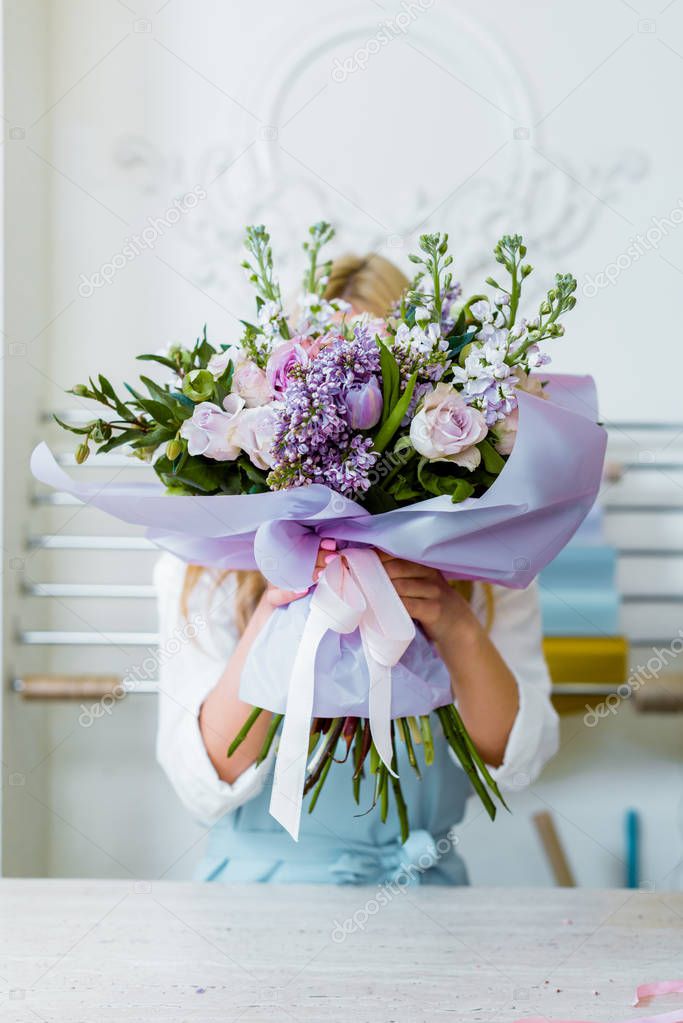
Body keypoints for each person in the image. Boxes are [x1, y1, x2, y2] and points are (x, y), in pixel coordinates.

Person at [154, 254, 558, 885]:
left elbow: (520, 760)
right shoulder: (208, 569)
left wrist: (450, 620)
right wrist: (276, 607)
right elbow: (201, 779)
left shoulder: (488, 565)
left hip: (428, 896)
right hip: (255, 903)